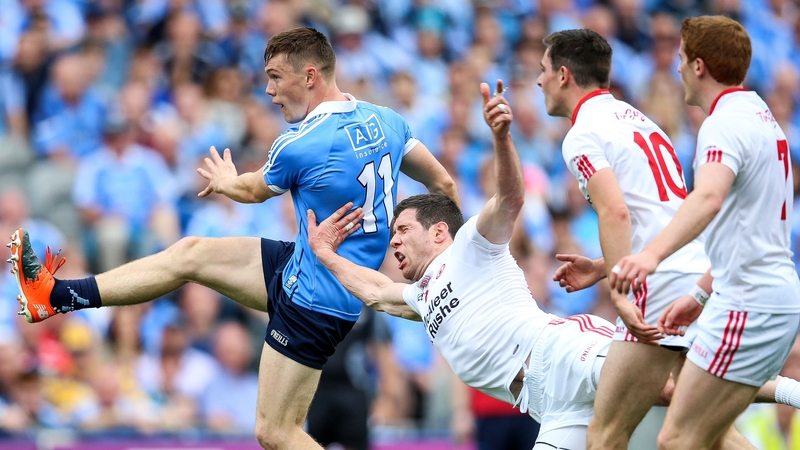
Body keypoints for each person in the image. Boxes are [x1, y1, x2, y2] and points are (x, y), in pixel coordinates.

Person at [7, 26, 458, 450]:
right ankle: (57, 295)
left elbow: (251, 191)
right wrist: (437, 259)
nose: (269, 91)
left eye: (276, 77)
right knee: (191, 253)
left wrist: (225, 180)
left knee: (274, 433)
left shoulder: (301, 141)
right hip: (304, 269)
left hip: (315, 300)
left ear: (310, 75)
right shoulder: (388, 121)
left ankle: (54, 296)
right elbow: (445, 185)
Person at [307, 80, 800, 449]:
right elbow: (372, 290)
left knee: (671, 390)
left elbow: (511, 197)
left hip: (560, 353)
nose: (394, 242)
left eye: (403, 231)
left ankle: (786, 390)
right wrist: (326, 253)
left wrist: (501, 136)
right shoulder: (417, 294)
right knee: (682, 407)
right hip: (544, 403)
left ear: (439, 232)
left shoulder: (471, 247)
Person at [610, 16, 800, 450]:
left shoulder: (724, 121)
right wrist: (699, 294)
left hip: (750, 303)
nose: (676, 68)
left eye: (680, 58)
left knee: (677, 441)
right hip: (764, 297)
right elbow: (749, 230)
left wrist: (649, 257)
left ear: (698, 66)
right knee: (711, 439)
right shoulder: (761, 116)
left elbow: (708, 197)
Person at [537, 29, 714, 449]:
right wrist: (601, 267)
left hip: (657, 289)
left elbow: (615, 210)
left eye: (542, 70)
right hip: (696, 274)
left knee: (605, 433)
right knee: (710, 433)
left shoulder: (581, 134)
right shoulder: (640, 120)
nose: (538, 80)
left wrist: (619, 291)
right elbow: (656, 212)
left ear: (564, 75)